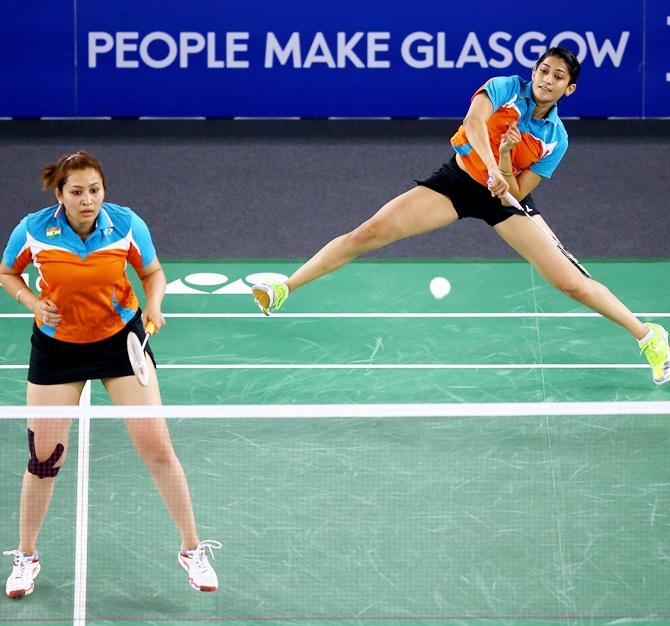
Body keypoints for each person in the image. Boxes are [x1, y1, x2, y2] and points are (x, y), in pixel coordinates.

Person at [252, 47, 669, 385]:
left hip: (502, 200)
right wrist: (492, 165)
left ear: (569, 89)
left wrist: (505, 160)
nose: (547, 79)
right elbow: (473, 123)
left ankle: (649, 336)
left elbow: (518, 192)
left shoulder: (555, 139)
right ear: (534, 71)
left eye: (558, 76)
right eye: (544, 69)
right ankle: (286, 286)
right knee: (370, 232)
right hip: (458, 181)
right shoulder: (505, 87)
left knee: (570, 282)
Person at [1, 151, 221, 599]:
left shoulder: (125, 225)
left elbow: (153, 272)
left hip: (120, 343)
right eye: (77, 192)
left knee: (157, 446)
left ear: (104, 190)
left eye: (95, 190)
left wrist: (154, 304)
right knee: (44, 459)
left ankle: (191, 549)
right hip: (57, 347)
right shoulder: (33, 229)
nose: (88, 200)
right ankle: (26, 555)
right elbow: (7, 272)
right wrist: (30, 301)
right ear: (59, 195)